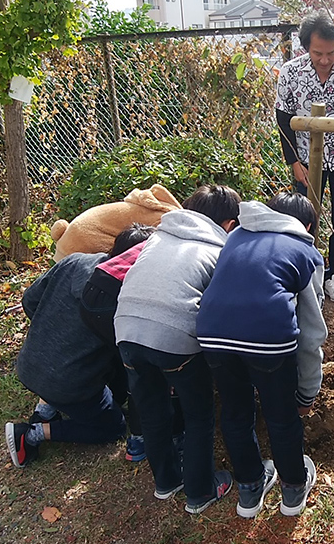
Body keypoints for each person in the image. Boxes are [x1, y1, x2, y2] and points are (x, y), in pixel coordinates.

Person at [196, 193, 327, 518]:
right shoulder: (305, 251)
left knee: (235, 412)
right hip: (268, 339)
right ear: (308, 225)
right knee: (282, 416)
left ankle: (249, 490)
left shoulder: (237, 235)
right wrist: (308, 390)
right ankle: (293, 490)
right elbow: (311, 332)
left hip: (212, 333)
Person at [114, 185, 240, 515]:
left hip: (125, 327)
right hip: (174, 335)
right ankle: (200, 491)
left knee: (153, 409)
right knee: (199, 414)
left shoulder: (159, 235)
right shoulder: (219, 248)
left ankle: (166, 482)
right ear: (228, 224)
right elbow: (220, 307)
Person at [5, 225, 152, 469]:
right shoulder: (121, 295)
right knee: (113, 426)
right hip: (68, 383)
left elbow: (29, 300)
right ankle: (32, 434)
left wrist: (50, 334)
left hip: (30, 362)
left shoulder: (74, 261)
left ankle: (46, 407)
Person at [275, 8, 334, 302]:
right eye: (318, 53)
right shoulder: (291, 72)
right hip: (305, 158)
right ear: (307, 47)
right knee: (304, 218)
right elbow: (282, 117)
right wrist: (293, 162)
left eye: (331, 52)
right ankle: (307, 277)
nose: (326, 60)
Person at [78, 223, 184, 463]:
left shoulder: (163, 238)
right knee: (155, 370)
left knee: (135, 367)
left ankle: (138, 439)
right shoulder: (176, 248)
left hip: (94, 292)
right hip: (114, 298)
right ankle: (165, 438)